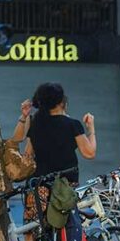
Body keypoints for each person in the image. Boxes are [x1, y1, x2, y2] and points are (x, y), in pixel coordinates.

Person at [19, 83, 97, 222]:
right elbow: (89, 153)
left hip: (39, 184)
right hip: (65, 185)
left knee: (33, 226)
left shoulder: (36, 124)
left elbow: (27, 155)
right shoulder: (72, 124)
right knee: (67, 223)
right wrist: (91, 129)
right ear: (62, 102)